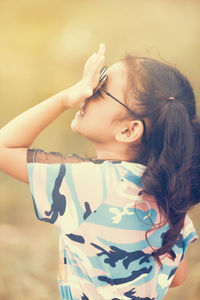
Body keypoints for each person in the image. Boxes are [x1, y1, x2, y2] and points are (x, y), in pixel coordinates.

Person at [0, 43, 199, 300]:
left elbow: (4, 147)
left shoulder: (89, 182)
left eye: (100, 88)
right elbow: (177, 276)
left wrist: (64, 99)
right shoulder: (170, 192)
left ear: (129, 130)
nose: (87, 93)